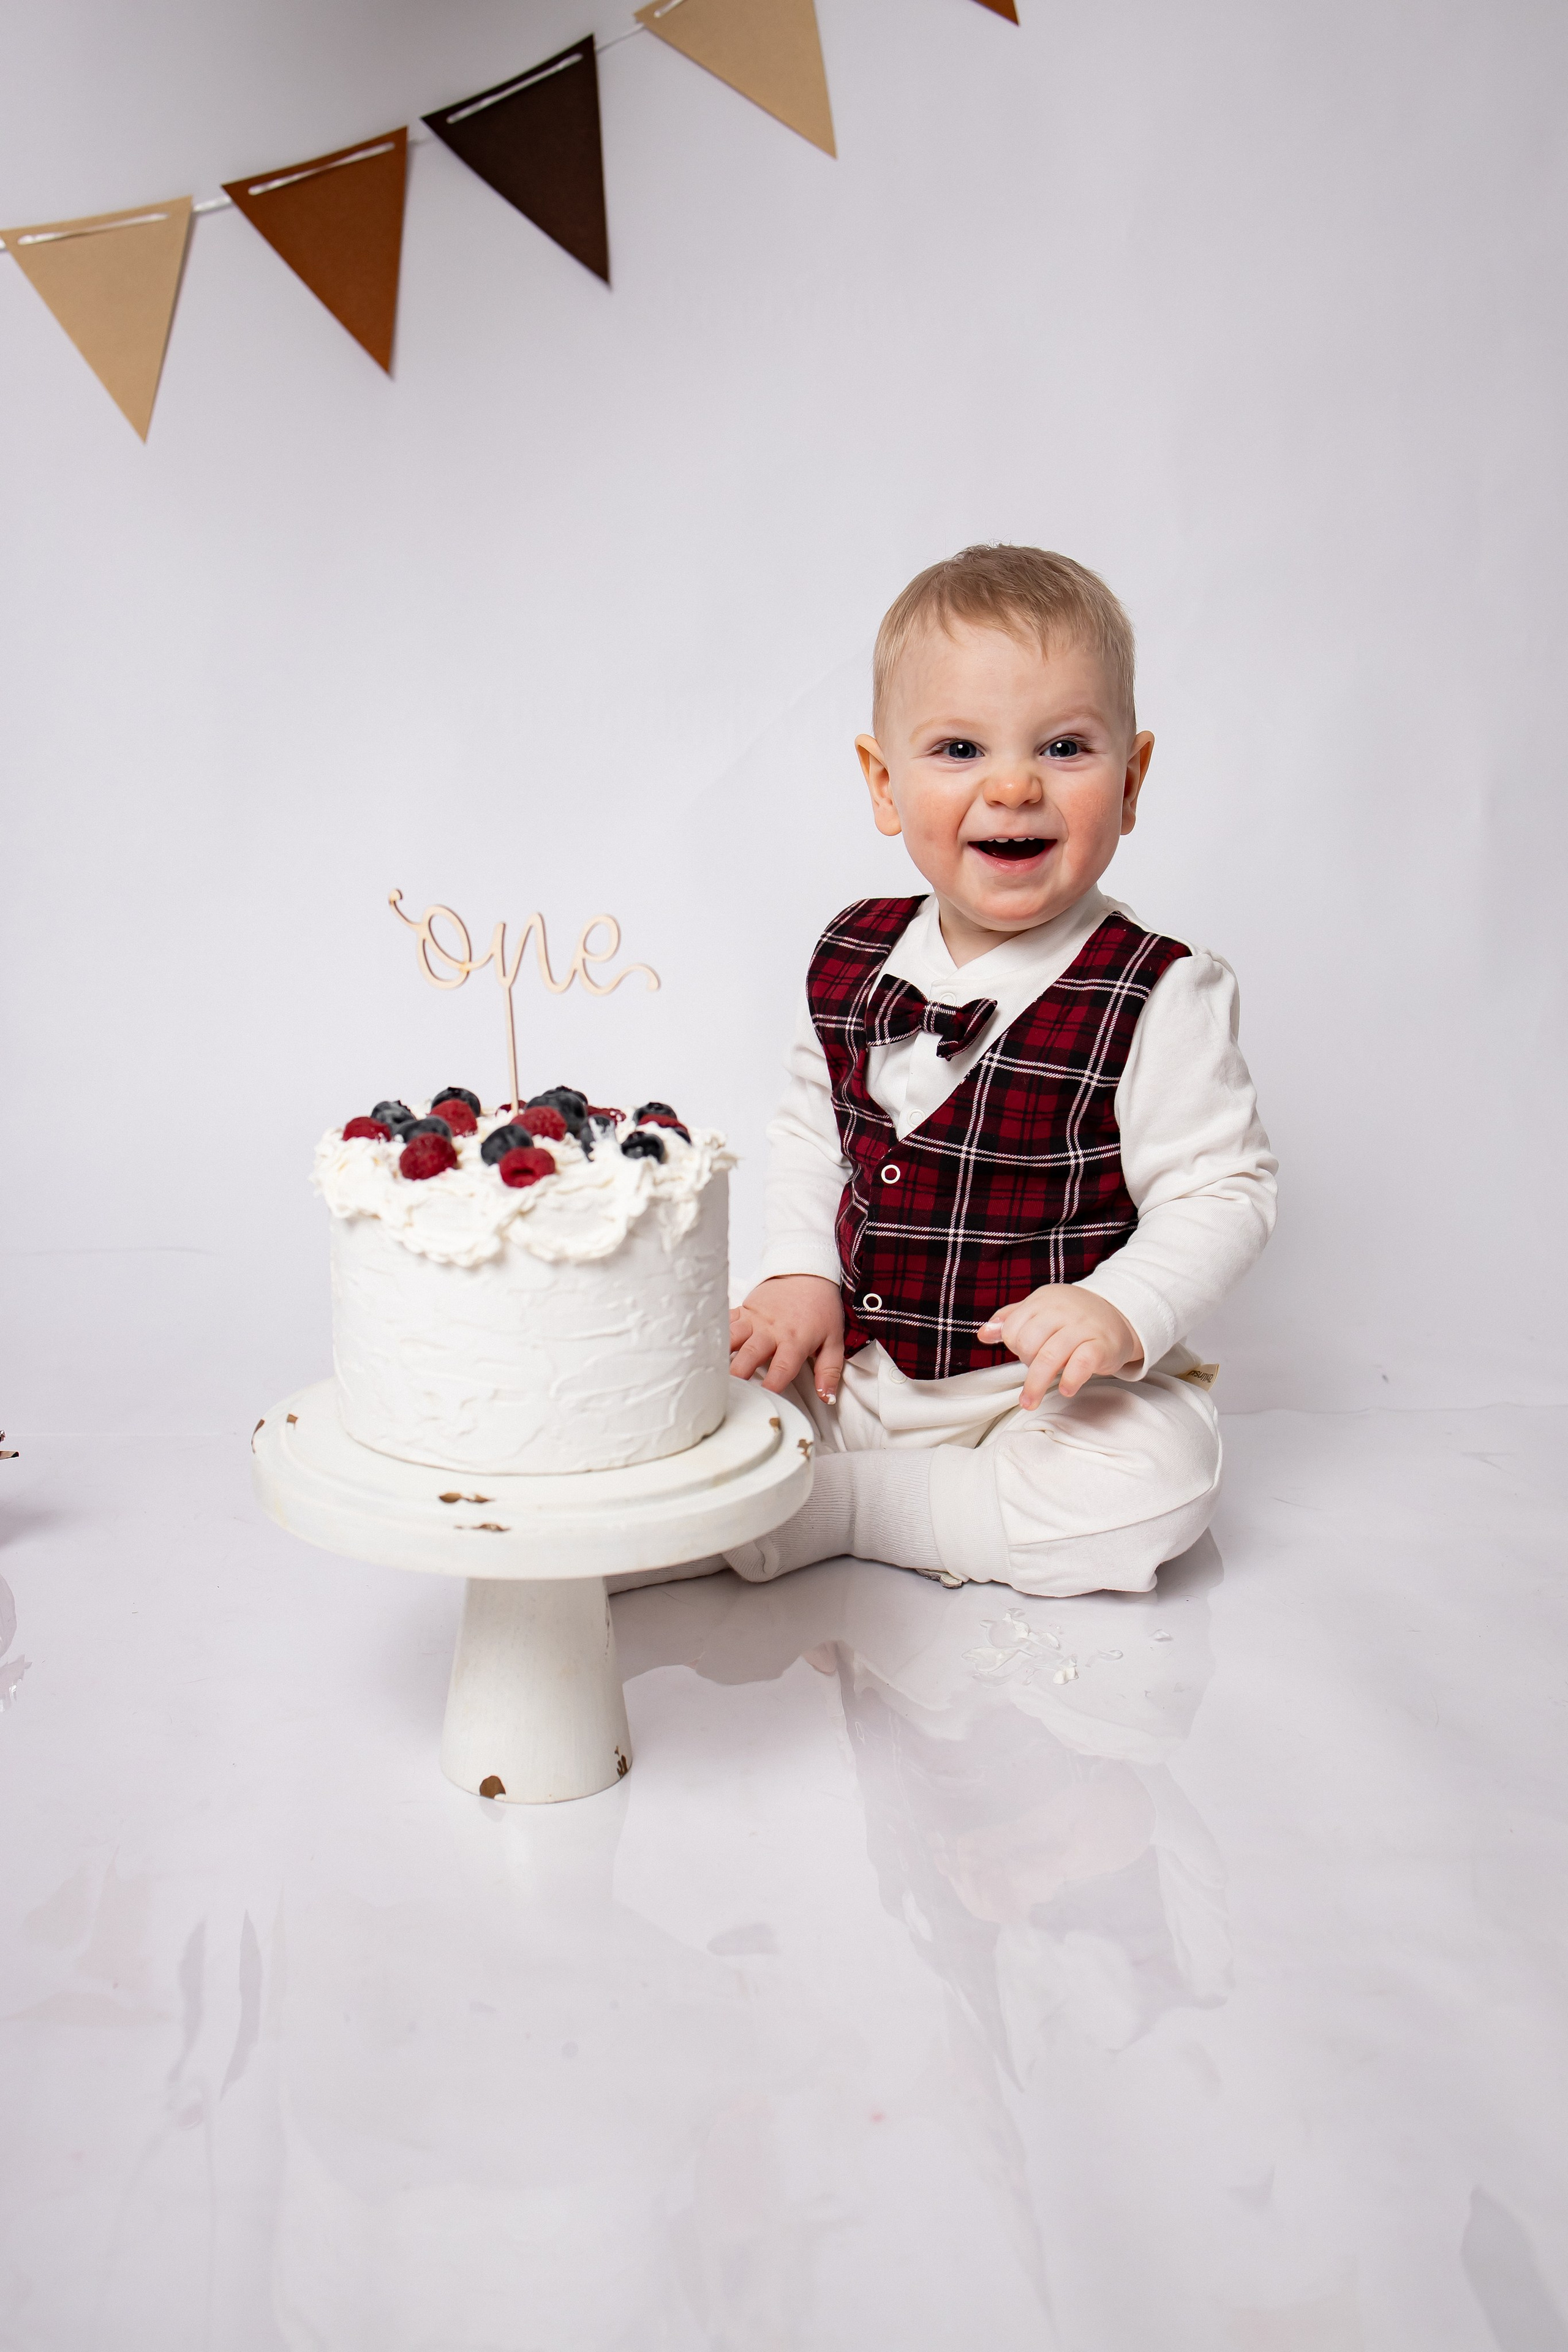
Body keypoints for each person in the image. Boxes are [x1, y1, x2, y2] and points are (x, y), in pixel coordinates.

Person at [723, 543, 1276, 1597]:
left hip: (1041, 1395)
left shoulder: (1158, 988)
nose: (1014, 785)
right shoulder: (854, 956)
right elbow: (811, 1133)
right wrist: (802, 1273)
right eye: (960, 748)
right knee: (700, 1386)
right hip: (862, 1367)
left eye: (1065, 747)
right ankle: (731, 1495)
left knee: (1159, 1482)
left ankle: (836, 1509)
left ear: (1132, 779)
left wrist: (1120, 1310)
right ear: (885, 784)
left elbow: (1223, 1188)